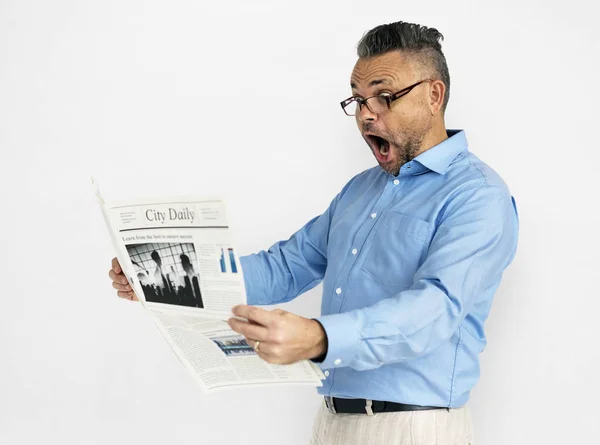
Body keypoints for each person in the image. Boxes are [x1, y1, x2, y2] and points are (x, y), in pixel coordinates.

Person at [108, 21, 519, 445]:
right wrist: (167, 277)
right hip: (332, 423)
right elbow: (285, 266)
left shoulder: (479, 197)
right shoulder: (361, 190)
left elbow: (434, 310)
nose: (366, 114)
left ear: (434, 96)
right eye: (358, 100)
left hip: (414, 429)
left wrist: (320, 337)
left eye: (383, 96)